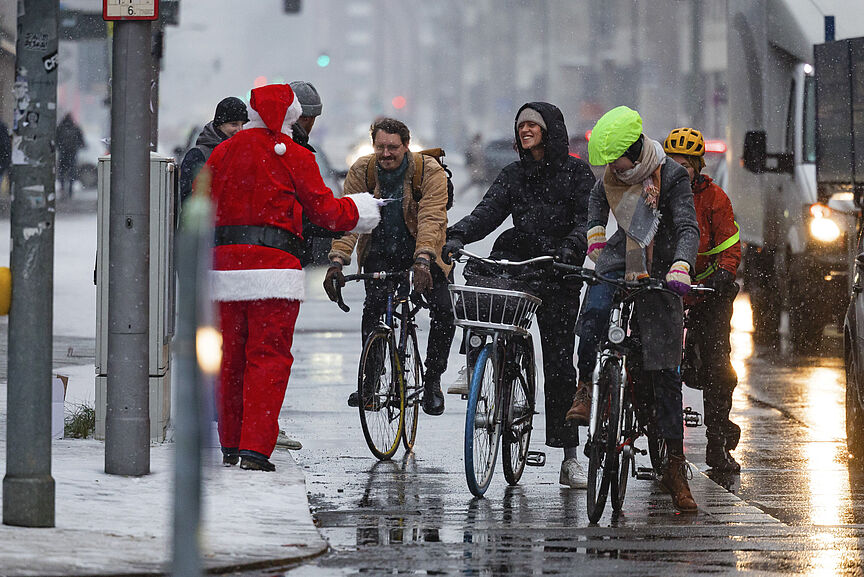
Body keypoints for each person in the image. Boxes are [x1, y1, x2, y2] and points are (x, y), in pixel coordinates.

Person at [205, 83, 381, 471]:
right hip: (274, 272)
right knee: (267, 358)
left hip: (225, 269)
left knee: (230, 359)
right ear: (291, 116)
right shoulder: (293, 155)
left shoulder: (222, 152)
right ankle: (255, 447)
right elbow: (326, 212)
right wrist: (364, 211)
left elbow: (202, 204)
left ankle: (230, 444)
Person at [441, 102, 596, 489]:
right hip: (521, 261)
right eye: (521, 125)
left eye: (533, 125)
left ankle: (569, 457)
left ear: (550, 131)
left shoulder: (577, 173)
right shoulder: (513, 173)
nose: (526, 130)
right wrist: (458, 234)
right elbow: (488, 212)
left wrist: (572, 246)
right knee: (483, 291)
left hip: (558, 271)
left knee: (560, 364)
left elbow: (588, 220)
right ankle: (476, 361)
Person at [567, 106, 700, 511]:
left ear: (634, 148)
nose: (612, 169)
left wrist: (681, 264)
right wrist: (594, 237)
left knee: (663, 371)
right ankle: (587, 387)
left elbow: (687, 226)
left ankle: (675, 465)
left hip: (662, 267)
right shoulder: (611, 176)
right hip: (618, 259)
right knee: (592, 312)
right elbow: (595, 205)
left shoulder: (671, 176)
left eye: (616, 160)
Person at [324, 117, 453, 417]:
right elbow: (350, 219)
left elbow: (432, 219)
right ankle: (370, 382)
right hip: (381, 249)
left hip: (425, 249)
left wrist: (422, 259)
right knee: (373, 309)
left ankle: (433, 380)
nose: (386, 153)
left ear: (406, 146)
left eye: (393, 147)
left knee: (445, 311)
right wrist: (337, 261)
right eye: (380, 146)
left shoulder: (429, 171)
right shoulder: (363, 170)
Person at [664, 126, 742, 473]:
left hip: (707, 291)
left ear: (698, 165)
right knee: (646, 359)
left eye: (685, 165)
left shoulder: (715, 199)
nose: (679, 172)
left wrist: (725, 273)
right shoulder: (656, 194)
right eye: (672, 164)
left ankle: (717, 441)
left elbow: (729, 243)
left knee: (717, 367)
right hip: (667, 288)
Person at [179, 97, 249, 205]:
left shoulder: (242, 153)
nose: (239, 130)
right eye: (234, 124)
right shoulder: (198, 155)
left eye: (242, 124)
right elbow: (187, 198)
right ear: (220, 124)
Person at [56, 113, 85, 198]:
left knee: (62, 172)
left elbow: (56, 140)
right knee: (71, 172)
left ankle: (62, 188)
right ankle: (70, 191)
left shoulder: (60, 128)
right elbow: (81, 141)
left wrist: (60, 147)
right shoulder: (75, 128)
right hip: (72, 154)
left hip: (63, 153)